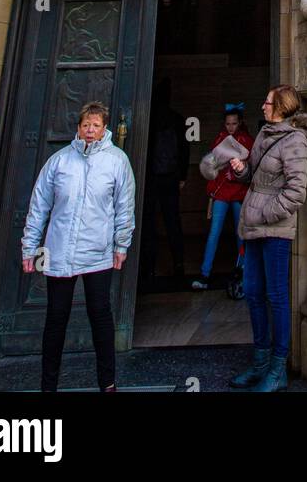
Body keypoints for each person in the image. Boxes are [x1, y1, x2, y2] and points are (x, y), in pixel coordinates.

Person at [22, 101, 135, 393]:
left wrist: (121, 245)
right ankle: (48, 386)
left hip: (97, 253)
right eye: (86, 125)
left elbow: (124, 207)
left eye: (96, 126)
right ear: (78, 128)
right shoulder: (59, 161)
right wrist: (29, 248)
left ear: (105, 129)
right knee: (56, 318)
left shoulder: (117, 161)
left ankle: (107, 383)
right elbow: (39, 206)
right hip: (58, 252)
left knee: (100, 313)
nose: (90, 130)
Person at [228, 85, 307, 393]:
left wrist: (265, 212)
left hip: (274, 229)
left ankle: (277, 368)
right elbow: (256, 176)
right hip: (254, 226)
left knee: (276, 296)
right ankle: (259, 363)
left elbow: (296, 192)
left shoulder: (295, 141)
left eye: (268, 102)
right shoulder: (266, 133)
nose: (263, 106)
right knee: (254, 293)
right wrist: (242, 170)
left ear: (282, 107)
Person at [192, 103, 254, 290]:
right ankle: (205, 273)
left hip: (237, 193)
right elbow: (212, 165)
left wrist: (236, 173)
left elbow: (251, 167)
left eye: (234, 123)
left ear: (240, 123)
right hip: (222, 192)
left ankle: (242, 271)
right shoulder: (220, 138)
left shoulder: (247, 140)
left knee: (240, 234)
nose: (231, 127)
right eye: (228, 124)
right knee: (214, 232)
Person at [140, 76, 189, 286]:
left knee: (148, 223)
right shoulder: (177, 119)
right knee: (172, 222)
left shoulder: (148, 120)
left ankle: (147, 268)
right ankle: (179, 264)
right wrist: (183, 176)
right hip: (170, 179)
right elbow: (184, 150)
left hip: (150, 179)